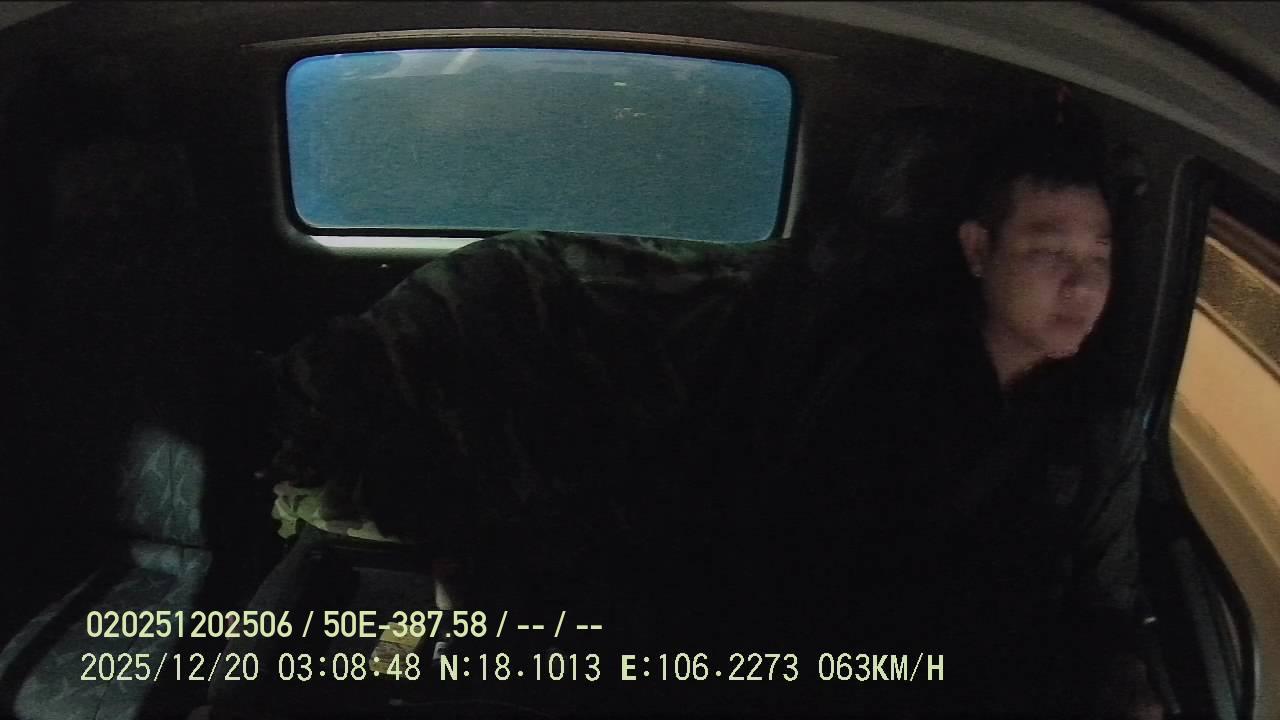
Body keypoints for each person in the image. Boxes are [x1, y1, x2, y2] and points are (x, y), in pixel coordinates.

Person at [255, 91, 1159, 718]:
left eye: (1100, 259)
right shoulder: (881, 382)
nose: (1081, 286)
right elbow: (799, 581)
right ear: (977, 251)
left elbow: (1103, 604)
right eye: (1048, 252)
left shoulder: (1099, 427)